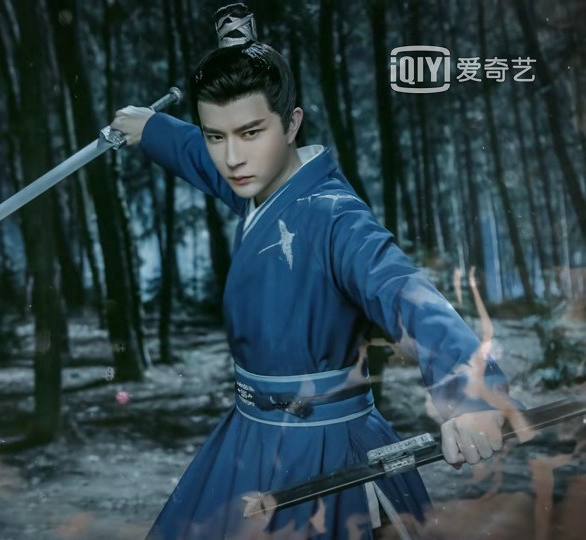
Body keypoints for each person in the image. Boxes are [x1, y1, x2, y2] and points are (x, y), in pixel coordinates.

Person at [110, 3, 523, 539]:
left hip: (325, 448)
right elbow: (201, 157)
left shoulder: (335, 217)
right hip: (251, 436)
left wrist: (470, 393)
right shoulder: (258, 185)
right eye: (217, 136)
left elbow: (404, 291)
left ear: (292, 123)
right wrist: (153, 129)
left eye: (251, 132)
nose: (232, 158)